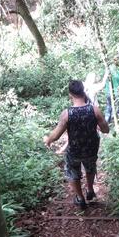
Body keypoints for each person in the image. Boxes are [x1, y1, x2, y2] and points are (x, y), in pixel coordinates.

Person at [44, 80, 110, 209]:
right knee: (90, 168)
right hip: (91, 148)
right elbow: (106, 130)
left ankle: (80, 199)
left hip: (74, 151)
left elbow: (56, 136)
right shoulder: (94, 110)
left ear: (70, 94)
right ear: (83, 91)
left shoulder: (67, 114)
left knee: (73, 172)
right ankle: (90, 190)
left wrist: (48, 139)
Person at [105, 56, 119, 124]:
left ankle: (106, 123)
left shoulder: (108, 69)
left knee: (109, 107)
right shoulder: (118, 69)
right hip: (117, 92)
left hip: (108, 92)